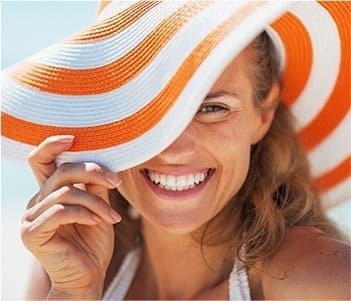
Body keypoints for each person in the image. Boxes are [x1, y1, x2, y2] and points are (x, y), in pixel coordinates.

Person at [2, 1, 350, 300]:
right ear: (106, 125)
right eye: (145, 110)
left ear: (263, 113)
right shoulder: (68, 266)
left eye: (212, 108)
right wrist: (75, 292)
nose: (172, 150)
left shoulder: (319, 279)